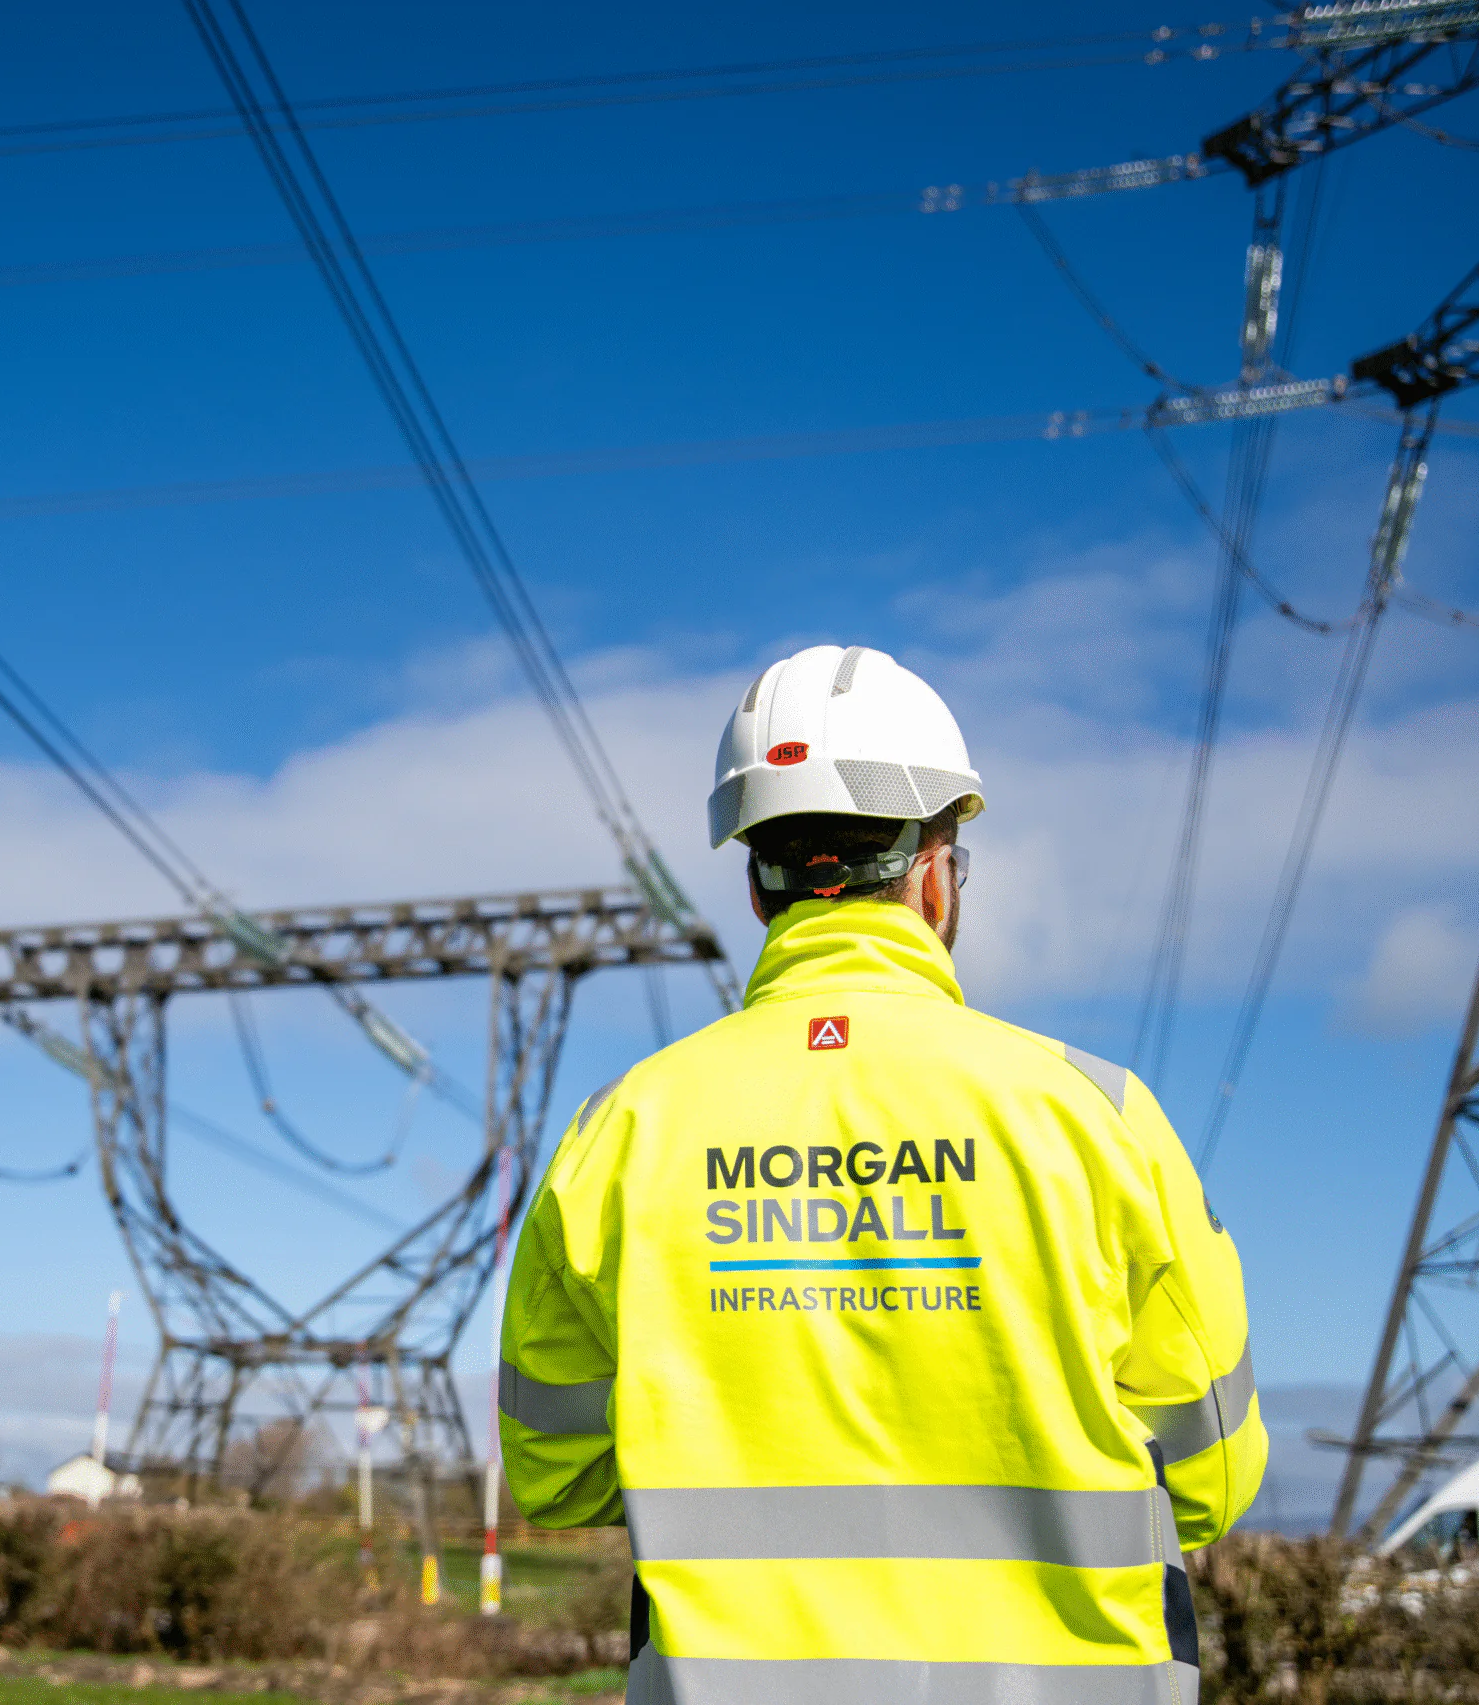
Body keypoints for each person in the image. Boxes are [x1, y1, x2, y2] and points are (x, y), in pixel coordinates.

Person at [498, 643, 1263, 1705]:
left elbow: (555, 1475)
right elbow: (1213, 1475)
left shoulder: (618, 1133)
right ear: (936, 873)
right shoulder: (1098, 1116)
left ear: (758, 887)